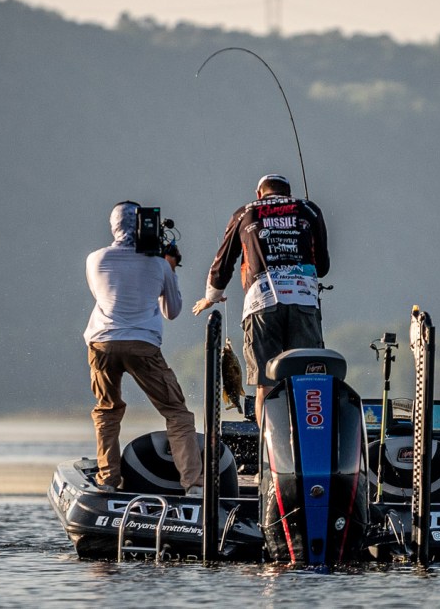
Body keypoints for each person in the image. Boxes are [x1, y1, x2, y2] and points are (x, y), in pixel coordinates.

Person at [84, 201, 204, 496]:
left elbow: (104, 294)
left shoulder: (95, 259)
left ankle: (108, 480)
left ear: (114, 225)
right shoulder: (159, 264)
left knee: (107, 410)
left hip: (102, 343)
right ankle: (193, 485)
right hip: (143, 345)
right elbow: (171, 311)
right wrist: (170, 268)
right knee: (177, 413)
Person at [192, 174, 329, 422]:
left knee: (265, 384)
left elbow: (223, 263)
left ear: (259, 194)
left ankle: (268, 442)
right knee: (307, 379)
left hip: (261, 304)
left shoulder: (245, 213)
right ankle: (306, 438)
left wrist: (211, 296)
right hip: (304, 300)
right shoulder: (308, 209)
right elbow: (323, 266)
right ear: (288, 194)